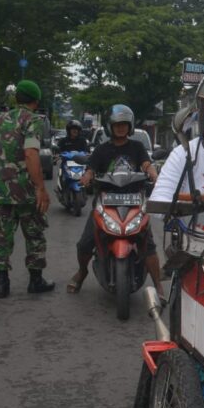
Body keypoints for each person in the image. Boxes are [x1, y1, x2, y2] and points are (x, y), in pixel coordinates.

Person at [67, 104, 161, 296]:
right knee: (85, 243)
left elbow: (146, 163)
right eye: (117, 124)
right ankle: (82, 271)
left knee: (148, 244)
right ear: (110, 126)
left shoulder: (137, 147)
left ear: (130, 126)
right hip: (106, 201)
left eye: (124, 124)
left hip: (134, 201)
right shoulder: (101, 150)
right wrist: (86, 176)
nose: (120, 128)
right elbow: (91, 168)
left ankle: (158, 286)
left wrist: (152, 173)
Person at [0, 80, 56, 298]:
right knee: (35, 235)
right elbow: (31, 153)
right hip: (25, 192)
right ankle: (35, 281)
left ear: (17, 98)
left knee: (1, 237)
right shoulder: (33, 120)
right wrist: (41, 188)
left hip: (1, 191)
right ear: (36, 100)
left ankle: (1, 284)